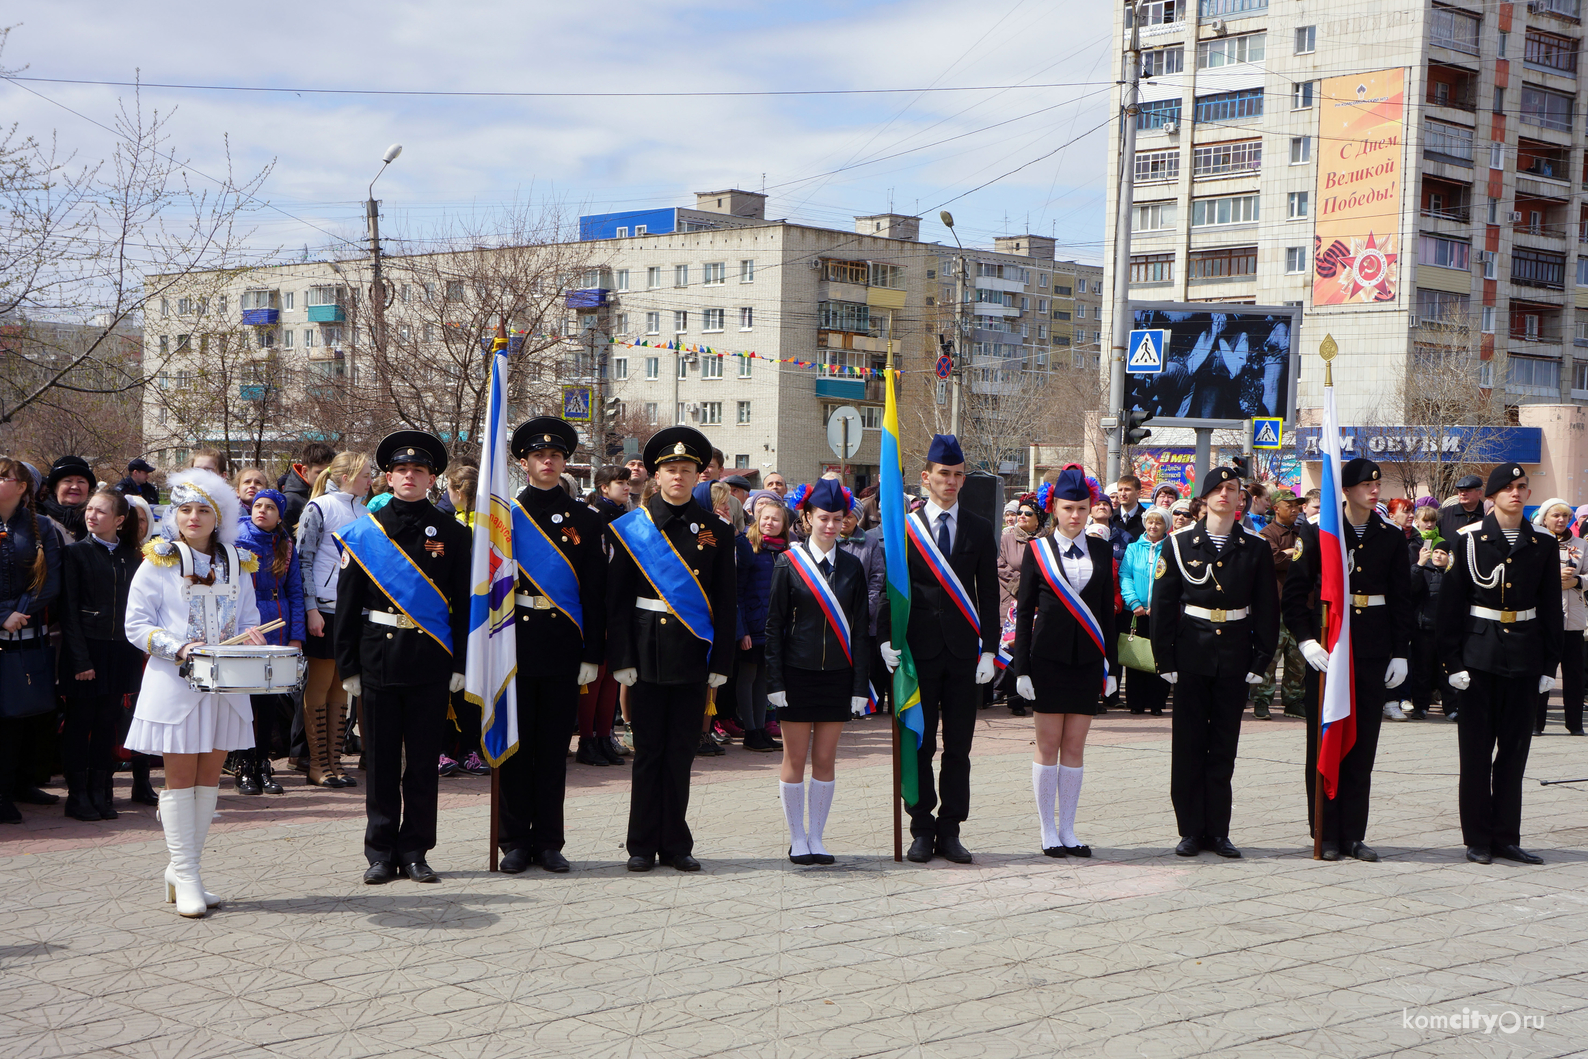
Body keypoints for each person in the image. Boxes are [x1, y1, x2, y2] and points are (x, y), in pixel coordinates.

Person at [124, 469, 267, 916]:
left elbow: (248, 616)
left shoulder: (237, 561)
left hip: (225, 686)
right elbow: (136, 625)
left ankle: (186, 868)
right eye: (185, 509)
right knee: (180, 780)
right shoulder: (158, 560)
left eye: (204, 509)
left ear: (218, 515)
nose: (193, 517)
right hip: (176, 683)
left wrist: (251, 635)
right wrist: (181, 647)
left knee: (210, 780)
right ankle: (185, 873)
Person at [336, 431, 471, 884]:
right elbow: (348, 604)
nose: (409, 476)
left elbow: (464, 605)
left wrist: (460, 664)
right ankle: (379, 851)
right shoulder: (363, 534)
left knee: (422, 765)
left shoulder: (453, 533)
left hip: (430, 659)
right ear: (388, 477)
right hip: (377, 658)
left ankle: (415, 850)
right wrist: (348, 665)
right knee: (380, 762)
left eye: (418, 470)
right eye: (401, 470)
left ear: (432, 479)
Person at [607, 426, 736, 872]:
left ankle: (676, 845)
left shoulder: (716, 530)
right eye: (670, 470)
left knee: (681, 755)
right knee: (647, 756)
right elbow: (618, 600)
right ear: (655, 477)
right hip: (644, 652)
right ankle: (641, 845)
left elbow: (725, 600)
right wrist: (621, 658)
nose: (678, 477)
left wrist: (720, 662)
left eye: (686, 470)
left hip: (691, 655)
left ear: (699, 475)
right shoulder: (632, 529)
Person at [878, 434, 1000, 865]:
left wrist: (990, 649)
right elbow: (889, 589)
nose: (950, 481)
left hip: (965, 656)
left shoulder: (980, 527)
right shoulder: (905, 529)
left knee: (960, 748)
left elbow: (988, 592)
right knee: (920, 743)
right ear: (926, 478)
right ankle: (920, 828)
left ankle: (951, 830)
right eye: (943, 474)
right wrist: (884, 640)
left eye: (958, 475)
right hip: (918, 655)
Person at [1283, 458, 1411, 861]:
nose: (1374, 491)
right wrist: (1305, 641)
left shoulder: (1389, 536)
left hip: (1371, 647)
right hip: (1329, 647)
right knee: (1323, 740)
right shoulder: (1319, 531)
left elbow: (1402, 600)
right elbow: (1294, 593)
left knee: (1363, 743)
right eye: (1364, 485)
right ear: (1346, 489)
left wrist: (1401, 652)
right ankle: (1325, 830)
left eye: (1377, 484)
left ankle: (1354, 832)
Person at [496, 418, 607, 874]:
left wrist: (592, 653)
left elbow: (595, 594)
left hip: (563, 643)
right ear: (524, 463)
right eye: (540, 456)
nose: (548, 461)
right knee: (516, 748)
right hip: (513, 645)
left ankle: (549, 842)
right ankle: (514, 843)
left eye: (556, 456)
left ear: (565, 463)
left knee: (554, 749)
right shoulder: (503, 519)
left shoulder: (586, 519)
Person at [1436, 464, 1562, 865]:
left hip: (1524, 655)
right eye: (1507, 487)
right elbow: (1450, 608)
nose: (1516, 493)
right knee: (1475, 752)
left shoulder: (1542, 542)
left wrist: (1548, 665)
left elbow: (1549, 610)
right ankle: (1476, 838)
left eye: (1522, 487)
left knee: (1514, 752)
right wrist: (1452, 661)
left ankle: (1506, 836)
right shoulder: (1467, 540)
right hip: (1478, 656)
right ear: (1491, 496)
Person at [1151, 466, 1278, 859]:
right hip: (1191, 651)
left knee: (1224, 746)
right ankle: (1190, 830)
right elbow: (1164, 604)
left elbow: (1267, 609)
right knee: (1188, 745)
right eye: (1218, 489)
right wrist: (1164, 656)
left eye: (1232, 489)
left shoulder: (1254, 547)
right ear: (1204, 498)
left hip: (1235, 654)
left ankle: (1219, 831)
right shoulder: (1178, 543)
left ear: (1242, 498)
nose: (1225, 494)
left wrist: (1261, 658)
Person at [1010, 465, 1118, 857]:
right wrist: (1021, 668)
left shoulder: (1103, 550)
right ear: (1053, 508)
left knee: (1075, 746)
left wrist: (1112, 667)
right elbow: (1023, 614)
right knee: (1048, 743)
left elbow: (1108, 613)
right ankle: (1047, 831)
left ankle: (1069, 829)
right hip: (1048, 661)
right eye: (1068, 508)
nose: (1076, 515)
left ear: (1092, 509)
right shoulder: (1037, 551)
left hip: (1088, 661)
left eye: (1083, 508)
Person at [764, 479, 870, 864]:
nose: (830, 526)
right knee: (794, 759)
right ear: (807, 518)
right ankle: (797, 838)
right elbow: (774, 625)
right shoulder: (788, 563)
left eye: (837, 519)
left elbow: (860, 629)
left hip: (837, 676)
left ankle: (818, 837)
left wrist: (861, 684)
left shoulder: (853, 566)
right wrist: (774, 680)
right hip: (796, 674)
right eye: (822, 518)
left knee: (825, 759)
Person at [59, 488, 144, 820]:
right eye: (89, 509)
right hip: (87, 650)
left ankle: (101, 789)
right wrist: (80, 660)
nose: (92, 515)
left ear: (120, 520)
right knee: (81, 722)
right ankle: (77, 794)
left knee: (108, 721)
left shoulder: (132, 557)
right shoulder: (76, 553)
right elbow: (68, 610)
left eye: (101, 511)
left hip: (120, 650)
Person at [296, 451, 371, 787]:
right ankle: (317, 764)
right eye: (366, 474)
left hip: (354, 610)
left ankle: (335, 762)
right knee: (321, 683)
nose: (371, 480)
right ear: (345, 477)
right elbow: (304, 560)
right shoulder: (320, 508)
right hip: (324, 609)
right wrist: (311, 607)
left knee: (343, 685)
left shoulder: (365, 511)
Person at [0, 458, 64, 822]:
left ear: (22, 487)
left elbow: (50, 581)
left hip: (28, 635)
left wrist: (19, 612)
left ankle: (24, 783)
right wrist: (2, 615)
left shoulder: (41, 527)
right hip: (3, 632)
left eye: (2, 476)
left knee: (31, 714)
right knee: (4, 719)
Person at [234, 488, 305, 796]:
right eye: (257, 505)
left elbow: (295, 591)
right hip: (246, 626)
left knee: (268, 701)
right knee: (244, 702)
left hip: (278, 623)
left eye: (270, 508)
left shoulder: (286, 545)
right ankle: (243, 764)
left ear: (279, 515)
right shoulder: (236, 540)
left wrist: (296, 636)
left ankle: (263, 763)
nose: (261, 510)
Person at [1531, 498, 1587, 736]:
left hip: (1574, 620)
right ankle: (1536, 723)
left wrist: (1577, 581)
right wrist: (1555, 578)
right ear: (1545, 519)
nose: (1561, 520)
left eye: (1565, 515)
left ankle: (1574, 724)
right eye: (1555, 515)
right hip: (1544, 620)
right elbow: (1527, 576)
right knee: (1543, 673)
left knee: (1574, 675)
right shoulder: (1536, 542)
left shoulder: (1581, 544)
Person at [736, 496, 787, 752]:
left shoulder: (786, 551)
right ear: (757, 518)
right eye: (765, 517)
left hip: (774, 628)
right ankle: (750, 731)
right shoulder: (748, 547)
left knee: (764, 680)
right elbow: (739, 590)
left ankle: (761, 730)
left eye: (775, 519)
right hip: (751, 625)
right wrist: (742, 628)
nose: (769, 522)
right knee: (747, 677)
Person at [1252, 492, 1308, 720]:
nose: (1295, 510)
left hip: (1299, 605)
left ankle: (1293, 700)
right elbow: (1273, 560)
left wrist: (1289, 554)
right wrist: (1293, 555)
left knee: (1297, 658)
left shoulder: (1303, 532)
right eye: (1290, 505)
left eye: (1297, 506)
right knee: (1270, 658)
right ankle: (1262, 700)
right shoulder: (1267, 534)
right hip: (1275, 606)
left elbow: (1309, 559)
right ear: (1276, 508)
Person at [999, 495, 1047, 717]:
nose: (1022, 517)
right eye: (1020, 513)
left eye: (1028, 513)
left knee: (1037, 647)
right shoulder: (1007, 538)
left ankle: (1036, 695)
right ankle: (1015, 700)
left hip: (1040, 601)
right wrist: (1022, 585)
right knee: (1014, 646)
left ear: (1038, 519)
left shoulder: (1047, 539)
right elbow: (1001, 566)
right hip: (1014, 600)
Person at [1119, 506, 1170, 717]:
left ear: (1165, 526)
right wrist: (1134, 602)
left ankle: (1157, 703)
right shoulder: (1133, 548)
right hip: (1137, 612)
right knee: (1137, 657)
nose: (1153, 526)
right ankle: (1136, 703)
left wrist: (1159, 605)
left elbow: (1173, 579)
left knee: (1159, 656)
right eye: (1150, 522)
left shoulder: (1171, 548)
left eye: (1158, 522)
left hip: (1160, 612)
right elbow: (1125, 575)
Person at [1407, 540, 1452, 720]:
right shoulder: (1423, 571)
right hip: (1423, 628)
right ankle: (1420, 707)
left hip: (1447, 631)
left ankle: (1452, 708)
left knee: (1447, 672)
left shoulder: (1453, 574)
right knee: (1422, 671)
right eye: (1436, 552)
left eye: (1443, 553)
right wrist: (1419, 565)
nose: (1438, 556)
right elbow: (1410, 588)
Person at [280, 441, 336, 533]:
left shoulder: (331, 495)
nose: (325, 477)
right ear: (305, 471)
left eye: (329, 473)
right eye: (320, 473)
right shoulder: (289, 502)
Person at [41, 455, 94, 542]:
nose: (75, 487)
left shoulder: (97, 521)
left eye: (81, 482)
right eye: (68, 481)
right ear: (55, 487)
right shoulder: (41, 521)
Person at [1438, 474, 1485, 542]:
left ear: (1480, 493)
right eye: (1461, 491)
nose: (1463, 494)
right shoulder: (1444, 515)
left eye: (1468, 491)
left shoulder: (1488, 514)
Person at [1114, 475, 1146, 542]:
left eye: (1127, 490)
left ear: (1138, 493)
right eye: (1120, 490)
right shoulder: (1111, 517)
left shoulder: (1146, 518)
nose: (1122, 494)